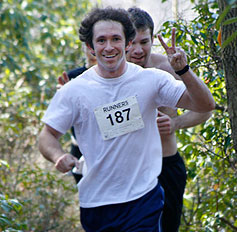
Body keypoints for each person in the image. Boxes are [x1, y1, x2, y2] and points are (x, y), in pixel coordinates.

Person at [38, 7, 215, 231]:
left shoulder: (153, 79)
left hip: (144, 196)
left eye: (116, 39)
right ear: (91, 47)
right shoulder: (74, 90)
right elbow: (47, 136)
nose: (109, 46)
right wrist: (58, 155)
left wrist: (184, 70)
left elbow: (205, 105)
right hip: (97, 201)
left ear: (127, 43)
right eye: (101, 40)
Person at [126, 7, 213, 232]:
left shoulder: (168, 67)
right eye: (131, 42)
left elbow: (206, 108)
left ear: (153, 40)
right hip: (127, 169)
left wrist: (176, 123)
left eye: (143, 42)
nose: (137, 49)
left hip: (165, 165)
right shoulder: (112, 76)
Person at [57, 45, 97, 183]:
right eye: (88, 47)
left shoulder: (113, 75)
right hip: (79, 146)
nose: (92, 52)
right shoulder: (72, 77)